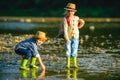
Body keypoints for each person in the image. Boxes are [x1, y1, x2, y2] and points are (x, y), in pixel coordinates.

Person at [62, 3, 85, 68]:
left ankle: (75, 64)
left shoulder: (77, 18)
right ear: (66, 11)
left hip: (76, 37)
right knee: (68, 50)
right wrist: (66, 39)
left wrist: (82, 22)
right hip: (68, 37)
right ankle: (68, 64)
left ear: (74, 12)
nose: (70, 12)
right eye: (68, 11)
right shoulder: (65, 19)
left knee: (74, 49)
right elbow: (65, 29)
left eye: (71, 11)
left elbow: (79, 27)